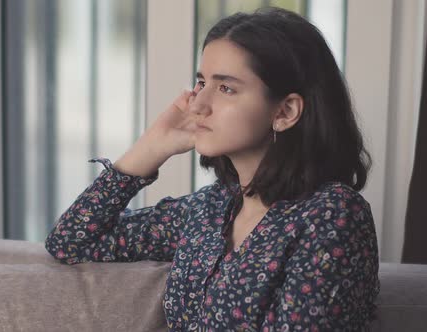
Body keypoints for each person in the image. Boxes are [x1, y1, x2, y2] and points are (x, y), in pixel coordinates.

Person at [45, 6, 380, 332]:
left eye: (225, 88)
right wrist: (152, 145)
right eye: (201, 83)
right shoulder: (207, 210)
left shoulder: (333, 215)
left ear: (286, 111)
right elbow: (72, 242)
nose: (199, 104)